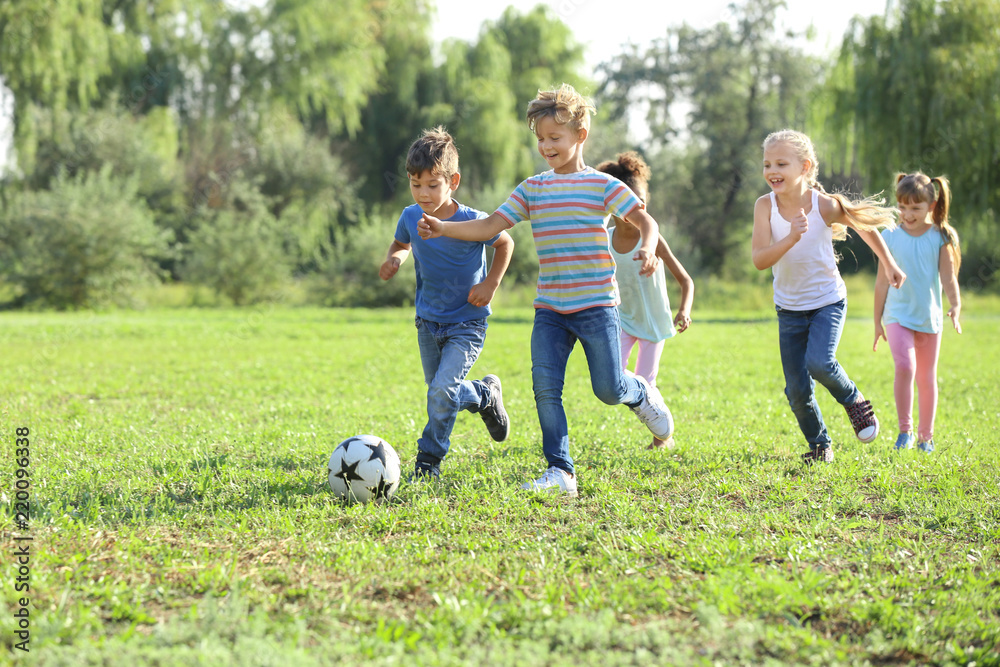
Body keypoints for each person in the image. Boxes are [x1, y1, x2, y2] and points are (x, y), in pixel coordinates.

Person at [417, 84, 675, 496]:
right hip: (550, 310)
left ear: (580, 136)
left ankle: (640, 392)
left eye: (555, 137)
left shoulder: (601, 186)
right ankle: (561, 473)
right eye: (540, 139)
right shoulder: (533, 189)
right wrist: (444, 227)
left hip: (595, 306)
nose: (546, 146)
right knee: (545, 390)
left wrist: (647, 246)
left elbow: (646, 222)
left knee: (608, 389)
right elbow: (489, 227)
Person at [751, 129, 906, 463]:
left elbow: (864, 226)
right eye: (767, 164)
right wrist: (791, 237)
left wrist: (888, 262)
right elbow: (760, 259)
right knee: (796, 391)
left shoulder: (823, 205)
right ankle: (820, 447)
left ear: (805, 166)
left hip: (827, 301)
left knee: (820, 362)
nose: (772, 170)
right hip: (789, 309)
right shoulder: (764, 206)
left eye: (781, 163)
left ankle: (853, 400)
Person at [380, 126, 515, 479]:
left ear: (452, 181)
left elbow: (505, 244)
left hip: (467, 322)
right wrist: (395, 259)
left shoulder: (473, 221)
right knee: (442, 393)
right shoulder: (411, 216)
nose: (423, 193)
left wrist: (491, 283)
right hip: (428, 321)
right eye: (415, 184)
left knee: (442, 391)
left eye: (432, 185)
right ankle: (485, 396)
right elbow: (402, 244)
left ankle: (428, 460)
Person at [596, 151, 694, 449]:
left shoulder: (652, 238)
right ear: (612, 205)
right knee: (611, 377)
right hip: (622, 321)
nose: (639, 208)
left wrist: (684, 311)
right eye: (630, 202)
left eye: (643, 202)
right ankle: (655, 417)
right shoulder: (604, 238)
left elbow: (686, 280)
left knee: (646, 383)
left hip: (653, 323)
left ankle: (662, 438)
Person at [873, 172, 962, 453]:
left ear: (931, 206)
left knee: (926, 378)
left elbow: (949, 278)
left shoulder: (940, 237)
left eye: (915, 208)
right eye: (902, 206)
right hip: (897, 314)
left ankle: (926, 437)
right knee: (905, 367)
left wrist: (955, 305)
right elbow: (880, 281)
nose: (907, 214)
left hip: (929, 318)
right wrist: (877, 321)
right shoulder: (889, 236)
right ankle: (905, 431)